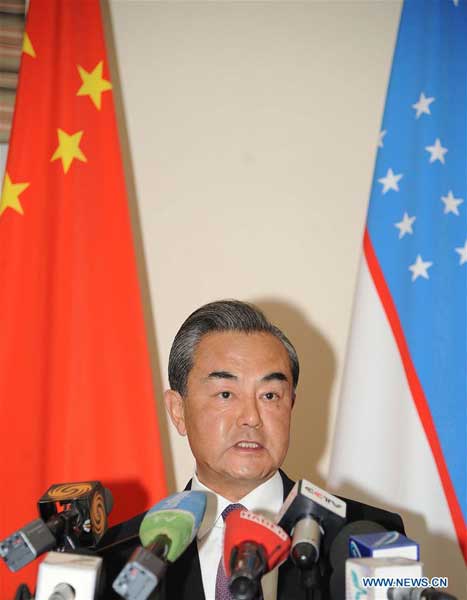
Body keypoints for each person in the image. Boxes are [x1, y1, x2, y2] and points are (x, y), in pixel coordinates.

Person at [97, 300, 404, 600]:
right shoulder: (121, 554)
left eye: (270, 395)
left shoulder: (367, 536)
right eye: (226, 394)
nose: (252, 418)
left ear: (291, 406)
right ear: (178, 411)